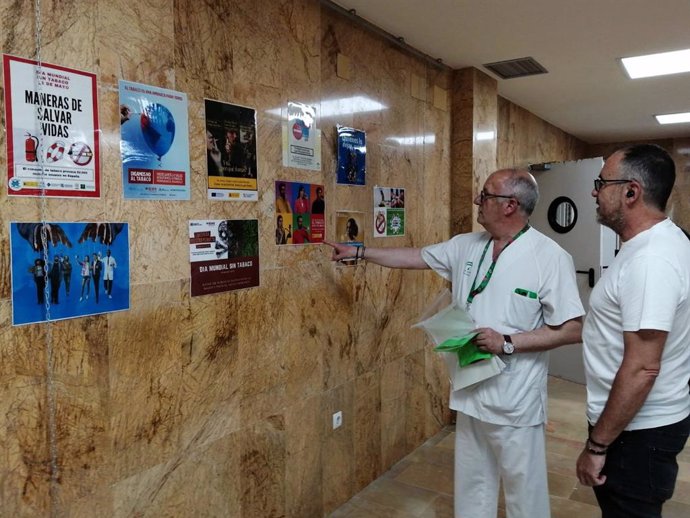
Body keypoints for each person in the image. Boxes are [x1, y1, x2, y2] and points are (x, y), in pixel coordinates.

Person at [324, 168, 584, 518]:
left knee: (525, 491)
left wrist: (507, 341)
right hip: (470, 386)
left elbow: (572, 329)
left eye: (486, 194)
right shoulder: (466, 245)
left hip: (515, 401)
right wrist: (360, 252)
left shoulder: (549, 258)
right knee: (473, 485)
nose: (478, 199)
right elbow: (415, 257)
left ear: (510, 205)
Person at [576, 144, 690, 518]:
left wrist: (597, 446)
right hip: (639, 426)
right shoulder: (660, 242)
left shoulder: (650, 261)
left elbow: (643, 368)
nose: (595, 192)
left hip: (637, 433)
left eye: (601, 182)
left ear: (630, 192)